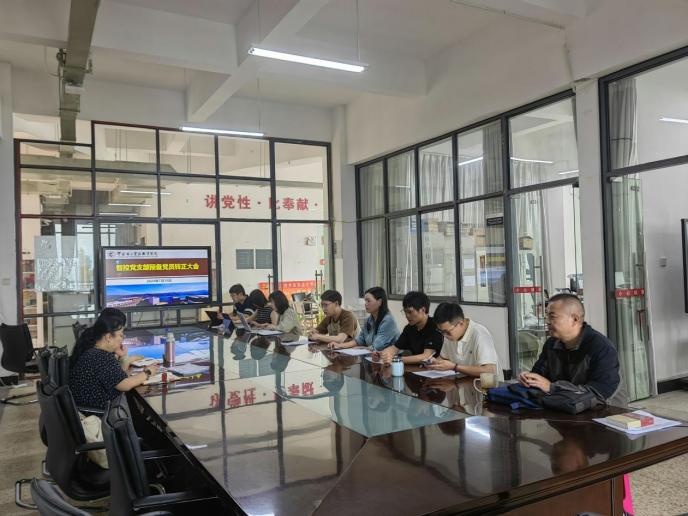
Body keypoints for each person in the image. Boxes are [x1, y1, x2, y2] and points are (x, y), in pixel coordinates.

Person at [518, 293, 628, 407]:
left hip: (606, 412)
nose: (547, 321)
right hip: (565, 409)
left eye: (552, 316)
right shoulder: (551, 344)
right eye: (546, 316)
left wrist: (552, 387)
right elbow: (539, 375)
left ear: (575, 319)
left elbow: (599, 394)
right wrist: (529, 379)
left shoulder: (601, 347)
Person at [69, 309, 158, 411]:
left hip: (89, 409)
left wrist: (122, 359)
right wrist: (147, 373)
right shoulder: (101, 357)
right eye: (120, 335)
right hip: (99, 414)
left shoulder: (94, 352)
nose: (122, 339)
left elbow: (115, 378)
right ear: (108, 337)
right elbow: (125, 385)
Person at [428, 302, 502, 379]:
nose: (444, 335)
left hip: (486, 384)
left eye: (447, 332)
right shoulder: (448, 335)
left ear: (461, 323)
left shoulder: (480, 334)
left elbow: (489, 370)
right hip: (462, 381)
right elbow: (443, 358)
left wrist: (455, 367)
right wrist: (434, 363)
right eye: (441, 331)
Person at [378, 291, 443, 365]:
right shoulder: (409, 328)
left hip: (434, 369)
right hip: (416, 368)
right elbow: (394, 348)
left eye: (410, 312)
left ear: (423, 310)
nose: (407, 316)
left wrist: (396, 359)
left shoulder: (435, 326)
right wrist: (382, 355)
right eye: (405, 312)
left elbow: (426, 356)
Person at [329, 287, 399, 351]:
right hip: (373, 357)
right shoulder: (369, 320)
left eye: (368, 301)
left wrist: (361, 348)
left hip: (391, 359)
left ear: (379, 302)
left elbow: (376, 347)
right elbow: (360, 340)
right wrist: (339, 345)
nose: (365, 304)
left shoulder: (388, 321)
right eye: (365, 301)